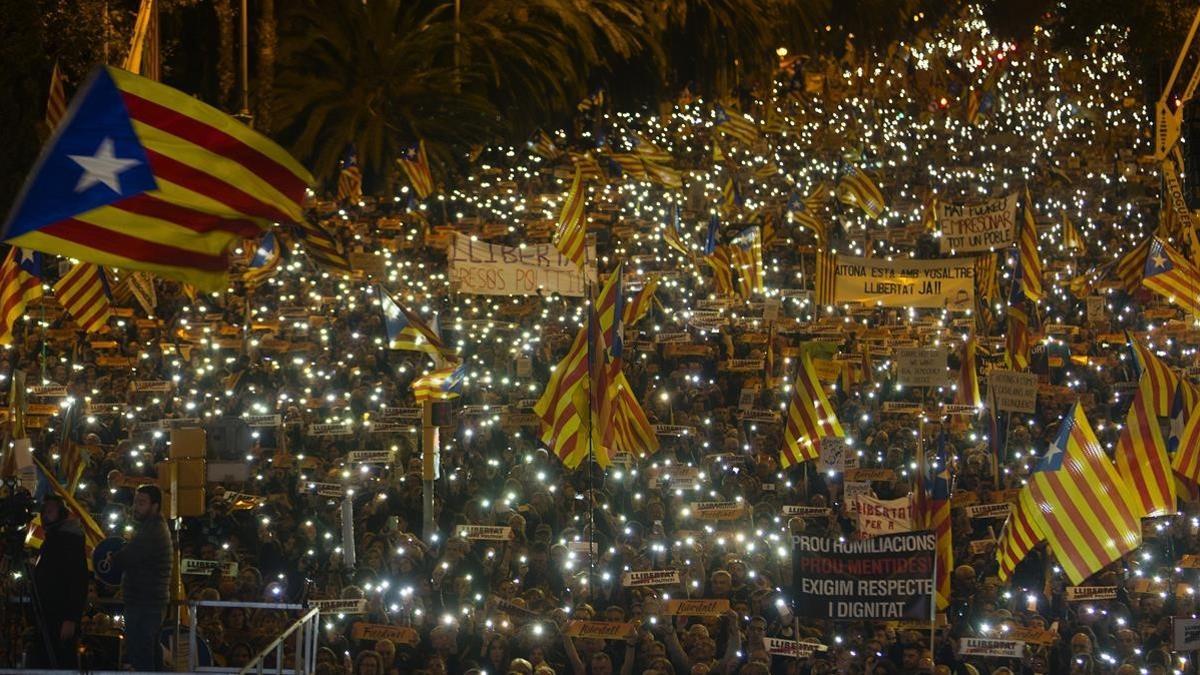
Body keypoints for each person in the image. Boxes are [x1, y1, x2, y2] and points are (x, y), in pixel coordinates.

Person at [109, 484, 173, 671]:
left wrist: (115, 557)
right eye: (136, 502)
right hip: (148, 601)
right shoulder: (151, 528)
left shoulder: (152, 531)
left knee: (141, 654)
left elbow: (127, 557)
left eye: (142, 503)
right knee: (150, 652)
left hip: (145, 602)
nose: (136, 507)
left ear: (155, 506)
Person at [29, 495, 88, 669]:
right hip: (47, 614)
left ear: (61, 513)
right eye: (44, 511)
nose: (46, 516)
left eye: (50, 511)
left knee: (61, 661)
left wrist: (71, 618)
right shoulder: (52, 539)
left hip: (61, 616)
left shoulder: (69, 540)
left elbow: (78, 580)